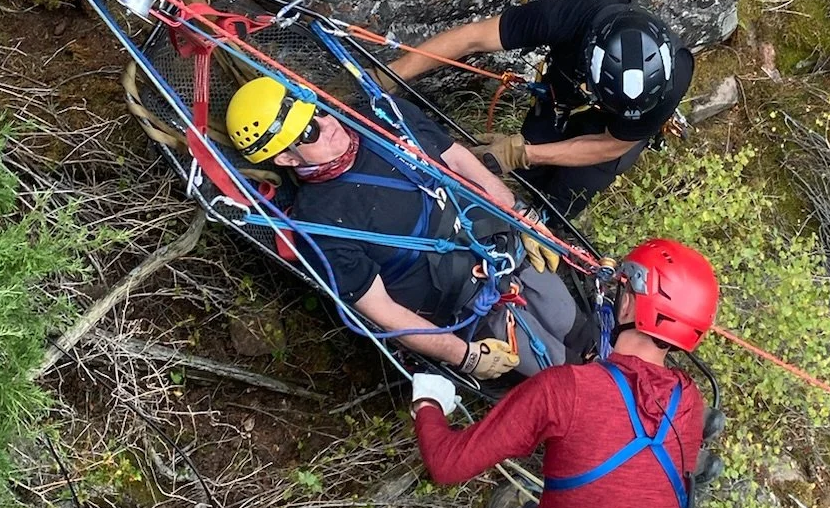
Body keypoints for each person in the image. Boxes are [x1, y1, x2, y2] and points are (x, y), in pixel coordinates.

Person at [409, 239, 719, 508]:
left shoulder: (564, 389)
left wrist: (428, 403)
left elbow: (447, 464)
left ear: (628, 305)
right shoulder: (690, 400)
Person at [224, 76, 586, 379]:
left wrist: (518, 214)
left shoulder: (383, 116)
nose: (329, 125)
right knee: (565, 377)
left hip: (506, 252)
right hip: (473, 311)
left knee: (578, 329)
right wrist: (464, 355)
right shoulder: (319, 223)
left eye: (318, 111)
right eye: (308, 133)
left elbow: (456, 158)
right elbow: (382, 311)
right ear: (286, 158)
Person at [387, 0, 694, 218]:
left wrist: (525, 153)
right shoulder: (577, 14)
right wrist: (389, 75)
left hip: (611, 134)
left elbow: (610, 145)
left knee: (568, 195)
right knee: (527, 170)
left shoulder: (673, 76)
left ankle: (547, 221)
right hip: (561, 97)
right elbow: (473, 38)